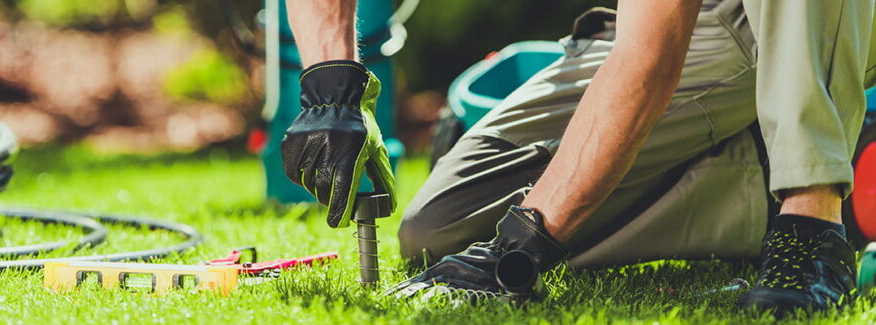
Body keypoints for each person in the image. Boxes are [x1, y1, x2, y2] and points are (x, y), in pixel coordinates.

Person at [280, 0, 876, 314]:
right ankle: (810, 157)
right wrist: (330, 83)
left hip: (810, 15)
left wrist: (523, 245)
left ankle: (811, 217)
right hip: (695, 28)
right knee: (439, 227)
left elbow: (653, 58)